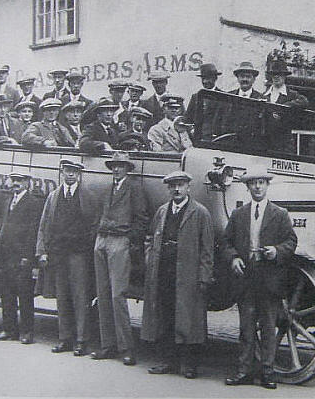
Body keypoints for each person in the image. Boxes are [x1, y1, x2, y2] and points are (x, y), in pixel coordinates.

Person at [222, 170, 297, 390]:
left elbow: (291, 242)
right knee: (246, 328)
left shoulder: (280, 214)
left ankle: (267, 373)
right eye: (253, 184)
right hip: (246, 278)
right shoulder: (238, 214)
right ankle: (243, 371)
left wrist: (276, 251)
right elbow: (225, 242)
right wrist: (234, 258)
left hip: (270, 279)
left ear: (267, 186)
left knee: (267, 328)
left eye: (261, 183)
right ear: (247, 187)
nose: (257, 187)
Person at [141, 171, 214, 379]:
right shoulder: (163, 211)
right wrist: (150, 258)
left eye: (181, 185)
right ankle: (168, 361)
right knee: (166, 315)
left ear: (188, 187)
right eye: (173, 186)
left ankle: (189, 364)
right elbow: (149, 237)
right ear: (168, 189)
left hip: (188, 274)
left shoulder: (200, 213)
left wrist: (204, 276)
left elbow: (208, 249)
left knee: (190, 319)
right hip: (164, 270)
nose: (177, 189)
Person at [36, 160, 100, 356]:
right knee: (62, 296)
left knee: (80, 297)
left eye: (74, 171)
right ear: (62, 172)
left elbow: (94, 225)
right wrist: (42, 251)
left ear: (79, 174)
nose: (70, 174)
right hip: (58, 253)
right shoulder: (54, 197)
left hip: (78, 255)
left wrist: (86, 248)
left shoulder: (88, 196)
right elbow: (44, 223)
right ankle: (65, 338)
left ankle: (81, 340)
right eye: (67, 171)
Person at [91, 152, 149, 366]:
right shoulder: (108, 189)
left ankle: (126, 348)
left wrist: (130, 242)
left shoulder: (134, 189)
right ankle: (108, 345)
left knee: (118, 296)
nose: (116, 169)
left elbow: (142, 218)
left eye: (121, 166)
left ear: (127, 168)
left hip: (120, 241)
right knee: (103, 294)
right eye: (114, 166)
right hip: (102, 240)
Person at [0, 172, 43, 344]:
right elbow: (2, 229)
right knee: (7, 294)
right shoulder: (8, 201)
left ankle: (26, 332)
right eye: (14, 180)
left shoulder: (34, 203)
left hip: (21, 257)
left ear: (28, 182)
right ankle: (9, 329)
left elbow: (33, 232)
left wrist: (28, 257)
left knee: (25, 295)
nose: (16, 183)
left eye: (20, 180)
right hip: (5, 255)